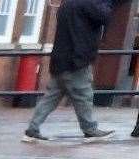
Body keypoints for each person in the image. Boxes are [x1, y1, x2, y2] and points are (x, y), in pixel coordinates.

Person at [23, 0, 118, 141]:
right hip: (77, 59)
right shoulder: (88, 4)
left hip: (60, 58)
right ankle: (90, 129)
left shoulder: (66, 4)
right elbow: (104, 16)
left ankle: (32, 129)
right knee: (84, 95)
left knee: (50, 97)